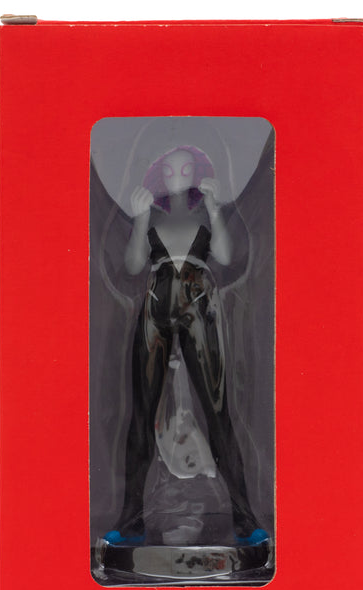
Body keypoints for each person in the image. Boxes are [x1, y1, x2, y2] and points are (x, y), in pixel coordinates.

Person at [104, 146, 267, 546]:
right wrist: (140, 219)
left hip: (200, 307)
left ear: (198, 172)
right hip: (155, 306)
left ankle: (245, 520)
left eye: (186, 169)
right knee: (141, 414)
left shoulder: (205, 213)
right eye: (171, 170)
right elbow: (133, 265)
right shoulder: (152, 215)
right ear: (159, 175)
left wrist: (214, 208)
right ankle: (130, 520)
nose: (178, 176)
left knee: (218, 411)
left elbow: (225, 255)